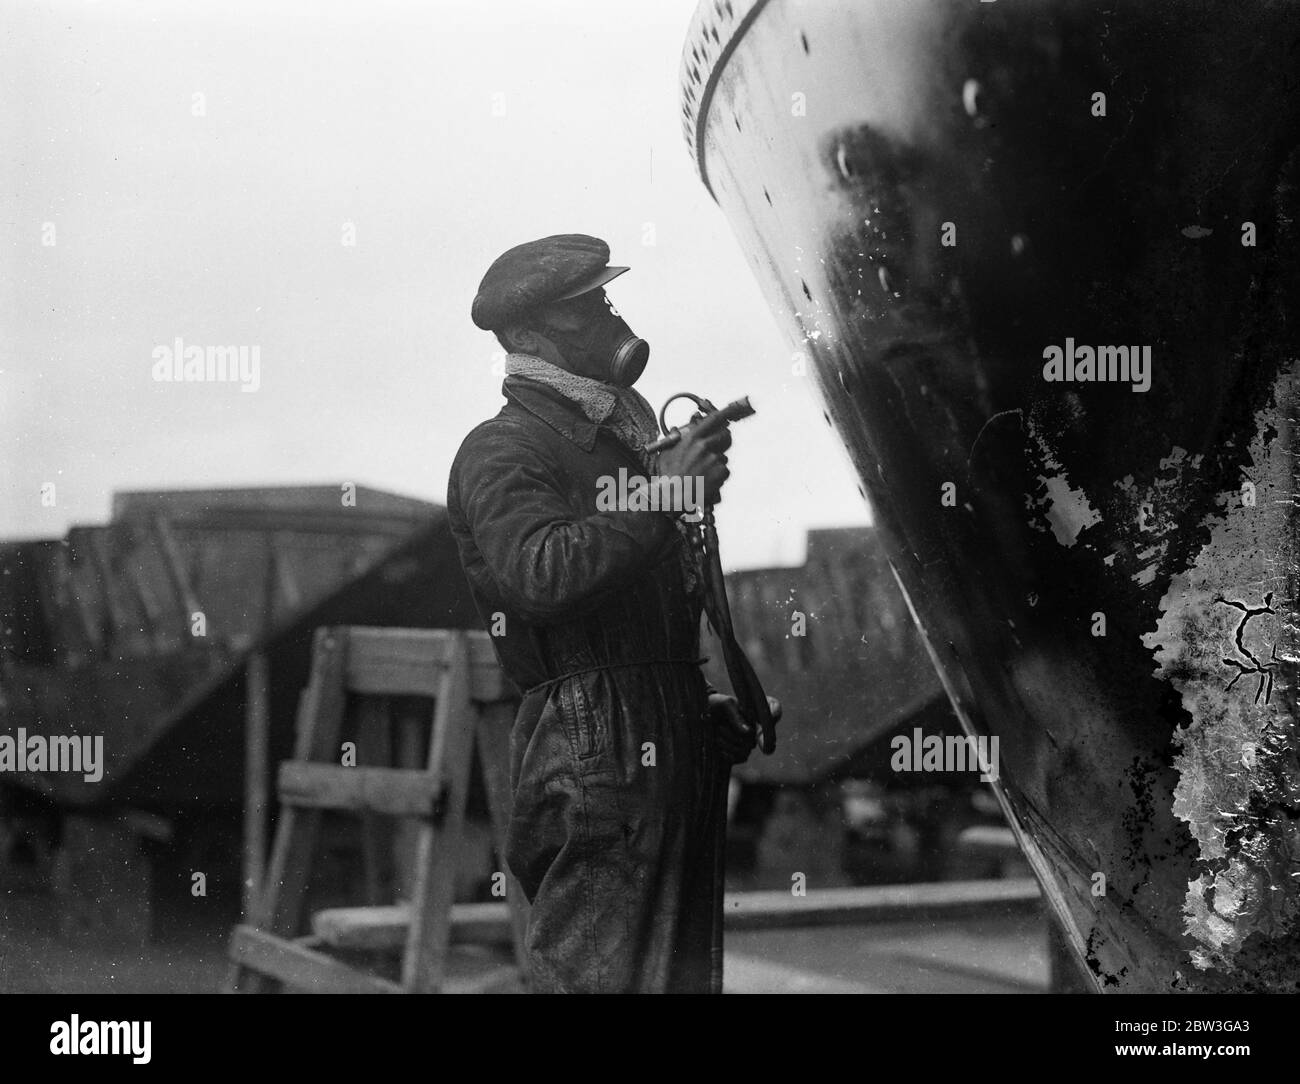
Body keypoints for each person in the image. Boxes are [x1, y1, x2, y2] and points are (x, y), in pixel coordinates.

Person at [447, 233, 770, 993]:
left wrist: (696, 703)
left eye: (603, 298)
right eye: (580, 308)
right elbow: (542, 574)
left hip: (654, 729)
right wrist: (666, 497)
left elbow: (629, 604)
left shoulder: (615, 443)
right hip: (591, 737)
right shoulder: (502, 448)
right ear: (524, 338)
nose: (605, 317)